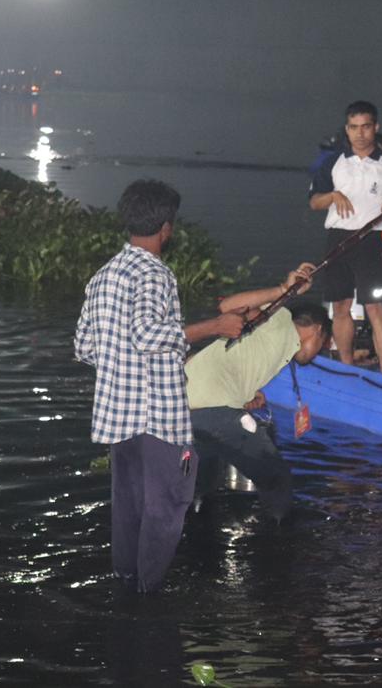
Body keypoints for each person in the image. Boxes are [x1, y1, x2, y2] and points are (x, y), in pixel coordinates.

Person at [74, 179, 246, 593]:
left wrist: (125, 367)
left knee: (129, 507)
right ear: (166, 227)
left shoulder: (103, 276)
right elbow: (149, 335)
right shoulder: (155, 274)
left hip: (119, 418)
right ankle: (149, 594)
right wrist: (215, 327)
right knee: (170, 501)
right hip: (160, 418)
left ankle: (125, 584)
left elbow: (83, 346)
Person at [185, 270, 328, 523]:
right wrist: (283, 289)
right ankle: (279, 548)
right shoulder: (280, 318)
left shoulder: (277, 345)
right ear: (317, 330)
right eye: (323, 344)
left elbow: (237, 363)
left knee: (202, 482)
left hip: (183, 405)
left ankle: (194, 544)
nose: (317, 354)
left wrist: (249, 395)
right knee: (277, 478)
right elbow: (229, 306)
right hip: (213, 406)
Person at [308, 101, 382, 374]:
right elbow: (314, 202)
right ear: (347, 130)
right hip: (338, 238)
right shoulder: (332, 162)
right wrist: (333, 196)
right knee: (340, 305)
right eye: (354, 127)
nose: (360, 133)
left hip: (372, 240)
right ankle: (346, 368)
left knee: (375, 308)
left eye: (366, 127)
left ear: (376, 127)